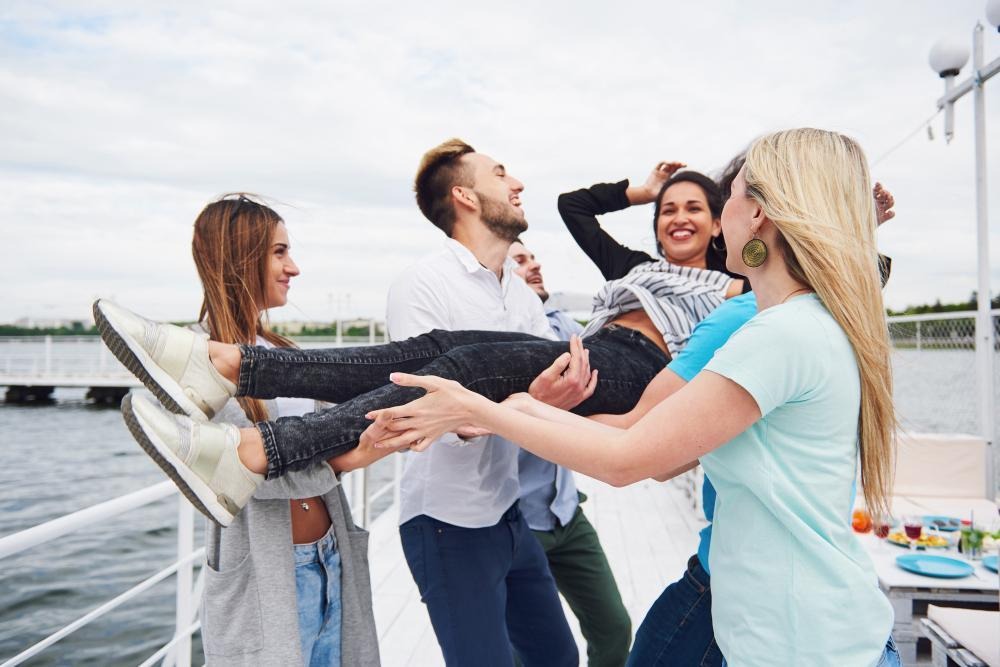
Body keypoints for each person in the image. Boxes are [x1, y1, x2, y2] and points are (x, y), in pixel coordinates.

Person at [365, 128, 901, 666]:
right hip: (798, 631)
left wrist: (480, 408)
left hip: (807, 643)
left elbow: (628, 459)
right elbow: (653, 451)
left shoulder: (777, 333)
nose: (720, 212)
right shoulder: (806, 322)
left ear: (758, 214)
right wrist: (522, 407)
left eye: (729, 196)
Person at [91, 164, 744, 528]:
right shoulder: (633, 268)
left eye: (694, 207)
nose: (678, 217)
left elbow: (682, 401)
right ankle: (229, 366)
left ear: (720, 223)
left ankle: (250, 428)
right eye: (668, 208)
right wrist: (640, 189)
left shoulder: (733, 288)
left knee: (462, 363)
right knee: (440, 345)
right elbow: (576, 206)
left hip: (636, 369)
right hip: (592, 350)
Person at [146, 194, 380, 666]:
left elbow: (320, 442)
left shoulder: (284, 351)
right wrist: (353, 456)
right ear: (239, 256)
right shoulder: (195, 359)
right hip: (266, 571)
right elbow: (246, 470)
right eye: (279, 252)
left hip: (330, 554)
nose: (293, 267)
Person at [379, 140, 578, 666]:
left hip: (509, 513)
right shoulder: (423, 285)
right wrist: (531, 401)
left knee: (558, 657)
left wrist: (530, 399)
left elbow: (547, 386)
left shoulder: (516, 291)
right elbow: (433, 418)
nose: (517, 185)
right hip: (447, 524)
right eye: (500, 173)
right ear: (464, 195)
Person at [507, 238, 631, 667]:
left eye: (533, 257)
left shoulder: (564, 327)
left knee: (614, 629)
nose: (534, 264)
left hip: (565, 511)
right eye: (520, 261)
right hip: (518, 520)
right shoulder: (499, 336)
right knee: (535, 652)